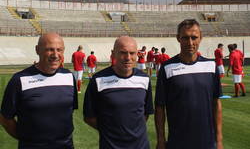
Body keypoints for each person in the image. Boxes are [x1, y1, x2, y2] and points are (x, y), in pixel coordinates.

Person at [0, 32, 78, 149]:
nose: (55, 55)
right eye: (50, 50)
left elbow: (68, 111)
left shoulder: (69, 77)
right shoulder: (19, 80)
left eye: (59, 50)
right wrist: (28, 139)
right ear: (37, 50)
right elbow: (5, 119)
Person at [155, 19, 223, 149]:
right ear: (178, 38)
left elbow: (216, 104)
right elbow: (159, 108)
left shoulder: (210, 66)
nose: (190, 42)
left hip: (207, 142)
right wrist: (161, 140)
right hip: (178, 142)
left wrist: (219, 140)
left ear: (200, 38)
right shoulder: (167, 68)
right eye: (185, 38)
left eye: (194, 37)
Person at [83, 36, 154, 149]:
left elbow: (145, 114)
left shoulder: (144, 79)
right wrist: (111, 131)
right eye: (123, 53)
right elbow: (89, 117)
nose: (128, 57)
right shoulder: (98, 80)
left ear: (137, 54)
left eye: (132, 53)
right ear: (113, 53)